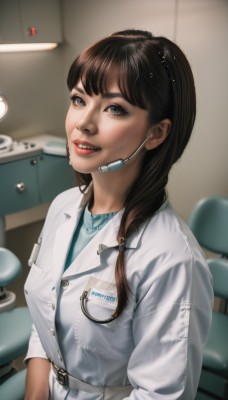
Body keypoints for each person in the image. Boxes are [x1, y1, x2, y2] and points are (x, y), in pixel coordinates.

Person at [24, 29, 213, 400]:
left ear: (157, 132)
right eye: (79, 99)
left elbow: (162, 395)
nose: (84, 122)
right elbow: (47, 313)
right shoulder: (63, 206)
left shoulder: (173, 260)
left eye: (114, 108)